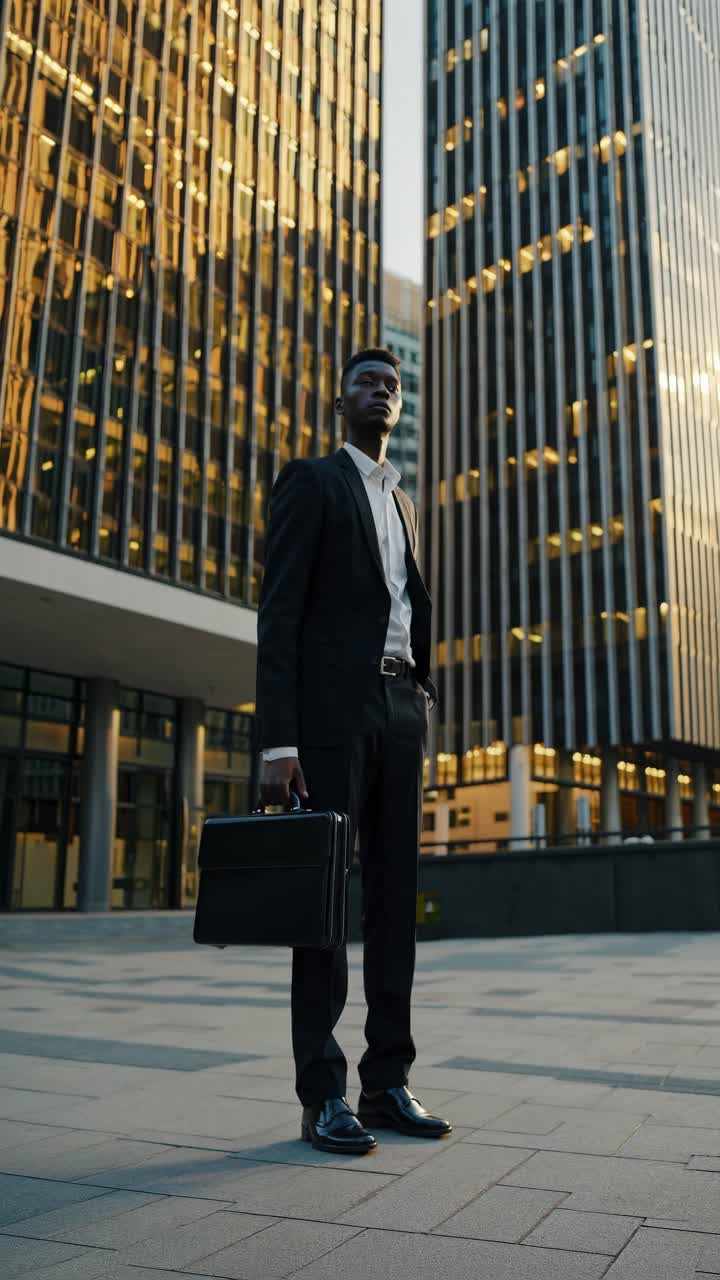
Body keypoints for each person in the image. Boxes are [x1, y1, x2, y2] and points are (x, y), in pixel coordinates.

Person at [255, 348, 451, 1156]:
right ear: (341, 400)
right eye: (369, 383)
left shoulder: (402, 502)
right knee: (327, 909)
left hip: (401, 707)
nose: (383, 393)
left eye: (394, 386)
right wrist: (279, 739)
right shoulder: (313, 481)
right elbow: (282, 614)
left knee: (393, 901)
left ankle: (386, 1081)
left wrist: (420, 699)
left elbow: (405, 607)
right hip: (333, 715)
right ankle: (322, 1093)